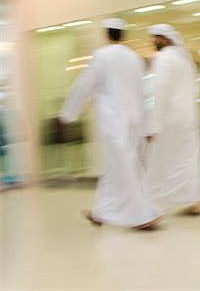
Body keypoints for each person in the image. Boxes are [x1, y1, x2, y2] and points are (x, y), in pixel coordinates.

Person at [60, 18, 162, 229]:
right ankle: (101, 212)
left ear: (107, 34)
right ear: (121, 35)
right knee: (116, 165)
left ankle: (144, 215)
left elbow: (84, 85)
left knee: (124, 164)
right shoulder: (135, 59)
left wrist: (68, 113)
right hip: (135, 119)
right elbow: (146, 93)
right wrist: (148, 125)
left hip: (114, 121)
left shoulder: (102, 56)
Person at [144, 24, 200, 214]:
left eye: (155, 38)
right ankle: (194, 201)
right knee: (189, 159)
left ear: (165, 39)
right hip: (188, 118)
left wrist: (153, 123)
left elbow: (161, 91)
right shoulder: (185, 59)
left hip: (170, 120)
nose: (152, 41)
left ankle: (150, 202)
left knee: (160, 159)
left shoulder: (164, 58)